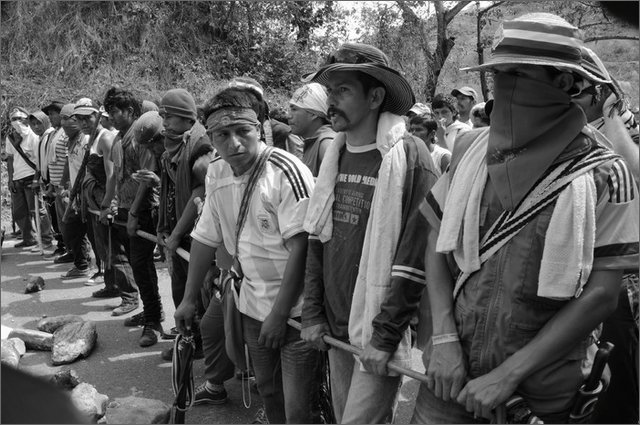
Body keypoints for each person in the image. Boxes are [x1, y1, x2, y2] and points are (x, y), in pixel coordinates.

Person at [412, 13, 639, 424]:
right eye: (500, 73)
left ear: (566, 84)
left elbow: (602, 295)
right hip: (450, 377)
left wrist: (507, 376)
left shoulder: (606, 174)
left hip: (541, 396)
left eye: (521, 74)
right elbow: (436, 242)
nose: (507, 87)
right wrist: (443, 338)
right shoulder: (469, 153)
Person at [301, 42, 439, 424]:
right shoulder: (336, 155)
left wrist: (386, 336)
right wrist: (313, 311)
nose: (331, 101)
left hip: (379, 328)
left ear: (376, 96)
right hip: (336, 323)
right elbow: (317, 237)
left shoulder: (411, 159)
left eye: (343, 90)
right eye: (330, 91)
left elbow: (417, 258)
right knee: (344, 413)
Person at [174, 87, 320, 423]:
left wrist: (280, 314)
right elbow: (205, 238)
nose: (234, 144)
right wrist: (187, 300)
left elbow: (303, 246)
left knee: (300, 407)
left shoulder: (287, 171)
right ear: (211, 137)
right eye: (222, 135)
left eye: (243, 131)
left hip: (296, 309)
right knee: (267, 388)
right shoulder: (217, 172)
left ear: (262, 128)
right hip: (251, 303)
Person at [571, 47, 639, 425]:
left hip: (622, 286)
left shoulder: (626, 129)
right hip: (578, 281)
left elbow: (633, 172)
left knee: (619, 394)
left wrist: (612, 113)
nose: (568, 102)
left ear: (601, 94)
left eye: (578, 92)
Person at [146, 89, 214, 362]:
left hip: (198, 234)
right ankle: (188, 340)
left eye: (170, 117)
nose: (165, 123)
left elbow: (199, 194)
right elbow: (170, 191)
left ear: (188, 119)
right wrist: (165, 227)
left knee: (200, 295)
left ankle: (204, 347)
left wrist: (175, 234)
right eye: (163, 116)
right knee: (181, 292)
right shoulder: (172, 146)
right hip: (179, 233)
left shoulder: (201, 147)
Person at [101, 88, 161, 347]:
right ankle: (149, 312)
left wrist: (135, 212)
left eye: (115, 112)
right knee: (137, 265)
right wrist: (110, 203)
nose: (111, 116)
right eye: (109, 112)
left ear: (130, 112)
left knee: (143, 265)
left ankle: (153, 321)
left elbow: (146, 180)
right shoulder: (118, 139)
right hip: (127, 210)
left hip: (144, 209)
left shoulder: (140, 137)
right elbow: (119, 175)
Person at [73, 100, 139, 306]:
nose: (83, 122)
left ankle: (129, 297)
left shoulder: (105, 138)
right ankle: (112, 287)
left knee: (115, 251)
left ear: (98, 116)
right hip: (95, 205)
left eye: (87, 117)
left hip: (105, 206)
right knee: (103, 250)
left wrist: (107, 206)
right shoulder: (90, 138)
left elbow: (112, 177)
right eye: (79, 118)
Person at [5, 107, 54, 250]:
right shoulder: (11, 137)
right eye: (14, 119)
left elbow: (39, 159)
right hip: (17, 178)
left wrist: (37, 179)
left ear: (26, 120)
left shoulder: (33, 136)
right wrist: (10, 179)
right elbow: (10, 159)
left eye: (20, 118)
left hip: (31, 176)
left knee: (37, 210)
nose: (17, 122)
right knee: (19, 212)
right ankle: (28, 238)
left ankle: (45, 239)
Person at [59, 103, 93, 279]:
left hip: (86, 194)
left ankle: (86, 266)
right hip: (76, 193)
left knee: (78, 229)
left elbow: (88, 168)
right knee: (74, 229)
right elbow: (71, 165)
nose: (64, 123)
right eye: (62, 118)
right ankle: (82, 263)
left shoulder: (86, 140)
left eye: (69, 118)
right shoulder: (71, 140)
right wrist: (67, 186)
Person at [288, 82, 336, 177]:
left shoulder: (326, 143)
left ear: (313, 114)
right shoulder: (314, 142)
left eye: (294, 109)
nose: (288, 116)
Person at [41, 100, 68, 258]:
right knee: (60, 222)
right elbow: (52, 161)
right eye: (49, 114)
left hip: (64, 186)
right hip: (56, 184)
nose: (50, 117)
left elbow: (66, 161)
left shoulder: (66, 133)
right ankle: (67, 249)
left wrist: (63, 185)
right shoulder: (55, 133)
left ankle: (76, 256)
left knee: (69, 223)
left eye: (53, 113)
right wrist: (51, 183)